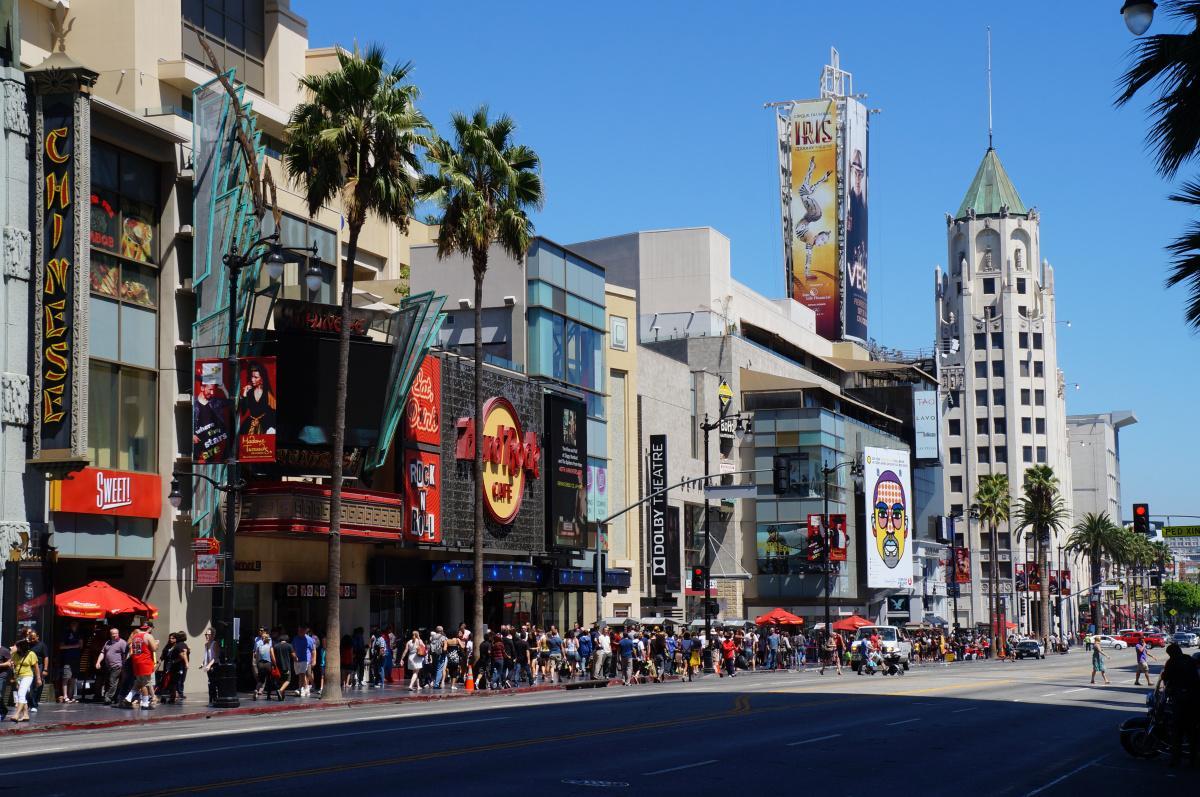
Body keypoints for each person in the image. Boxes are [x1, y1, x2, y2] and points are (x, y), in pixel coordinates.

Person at [1159, 643, 1199, 766]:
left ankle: (1176, 759)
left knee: (1177, 731)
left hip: (1180, 700)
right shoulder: (1189, 659)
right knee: (1192, 731)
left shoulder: (1172, 662)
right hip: (1193, 699)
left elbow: (1165, 677)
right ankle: (1194, 759)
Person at [125, 622, 158, 710]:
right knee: (145, 683)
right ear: (149, 628)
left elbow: (130, 645)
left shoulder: (135, 636)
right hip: (145, 662)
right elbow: (154, 648)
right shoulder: (148, 636)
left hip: (136, 661)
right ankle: (145, 703)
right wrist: (156, 644)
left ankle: (128, 698)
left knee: (139, 682)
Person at [9, 638, 40, 723]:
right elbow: (13, 665)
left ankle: (17, 714)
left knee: (21, 694)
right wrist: (14, 678)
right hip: (18, 677)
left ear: (22, 647)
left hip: (27, 676)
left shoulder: (31, 654)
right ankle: (25, 715)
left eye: (17, 646)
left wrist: (38, 679)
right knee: (23, 695)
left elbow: (36, 667)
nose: (16, 647)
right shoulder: (15, 654)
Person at [56, 620, 83, 704]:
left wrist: (76, 645)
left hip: (76, 658)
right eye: (73, 623)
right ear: (70, 624)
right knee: (66, 677)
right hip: (67, 659)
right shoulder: (66, 633)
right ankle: (65, 696)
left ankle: (70, 696)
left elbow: (81, 645)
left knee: (73, 679)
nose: (74, 625)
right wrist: (74, 646)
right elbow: (61, 646)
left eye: (76, 623)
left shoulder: (79, 633)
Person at [254, 628, 275, 698]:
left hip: (260, 664)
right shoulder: (269, 647)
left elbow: (256, 656)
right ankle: (268, 695)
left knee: (261, 679)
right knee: (269, 679)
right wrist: (274, 664)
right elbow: (272, 657)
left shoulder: (259, 647)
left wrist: (257, 663)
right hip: (268, 664)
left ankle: (256, 690)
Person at [200, 629, 220, 706]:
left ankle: (214, 699)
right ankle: (211, 700)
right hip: (208, 666)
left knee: (213, 683)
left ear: (213, 635)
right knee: (210, 683)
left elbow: (215, 657)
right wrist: (202, 663)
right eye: (206, 634)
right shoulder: (206, 644)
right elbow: (206, 656)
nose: (207, 636)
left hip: (214, 665)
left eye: (209, 634)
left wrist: (209, 665)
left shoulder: (215, 644)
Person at [273, 634, 294, 700]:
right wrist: (296, 659)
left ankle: (282, 696)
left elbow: (273, 655)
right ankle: (280, 690)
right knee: (288, 680)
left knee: (282, 680)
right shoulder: (289, 646)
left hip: (279, 666)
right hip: (286, 666)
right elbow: (293, 655)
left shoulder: (276, 646)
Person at [293, 625, 312, 697]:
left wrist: (313, 660)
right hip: (297, 660)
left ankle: (302, 689)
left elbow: (313, 650)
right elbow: (293, 648)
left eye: (301, 631)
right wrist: (294, 656)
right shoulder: (295, 638)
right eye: (298, 631)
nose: (299, 632)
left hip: (305, 659)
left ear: (305, 631)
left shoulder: (309, 639)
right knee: (300, 675)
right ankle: (305, 688)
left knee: (302, 674)